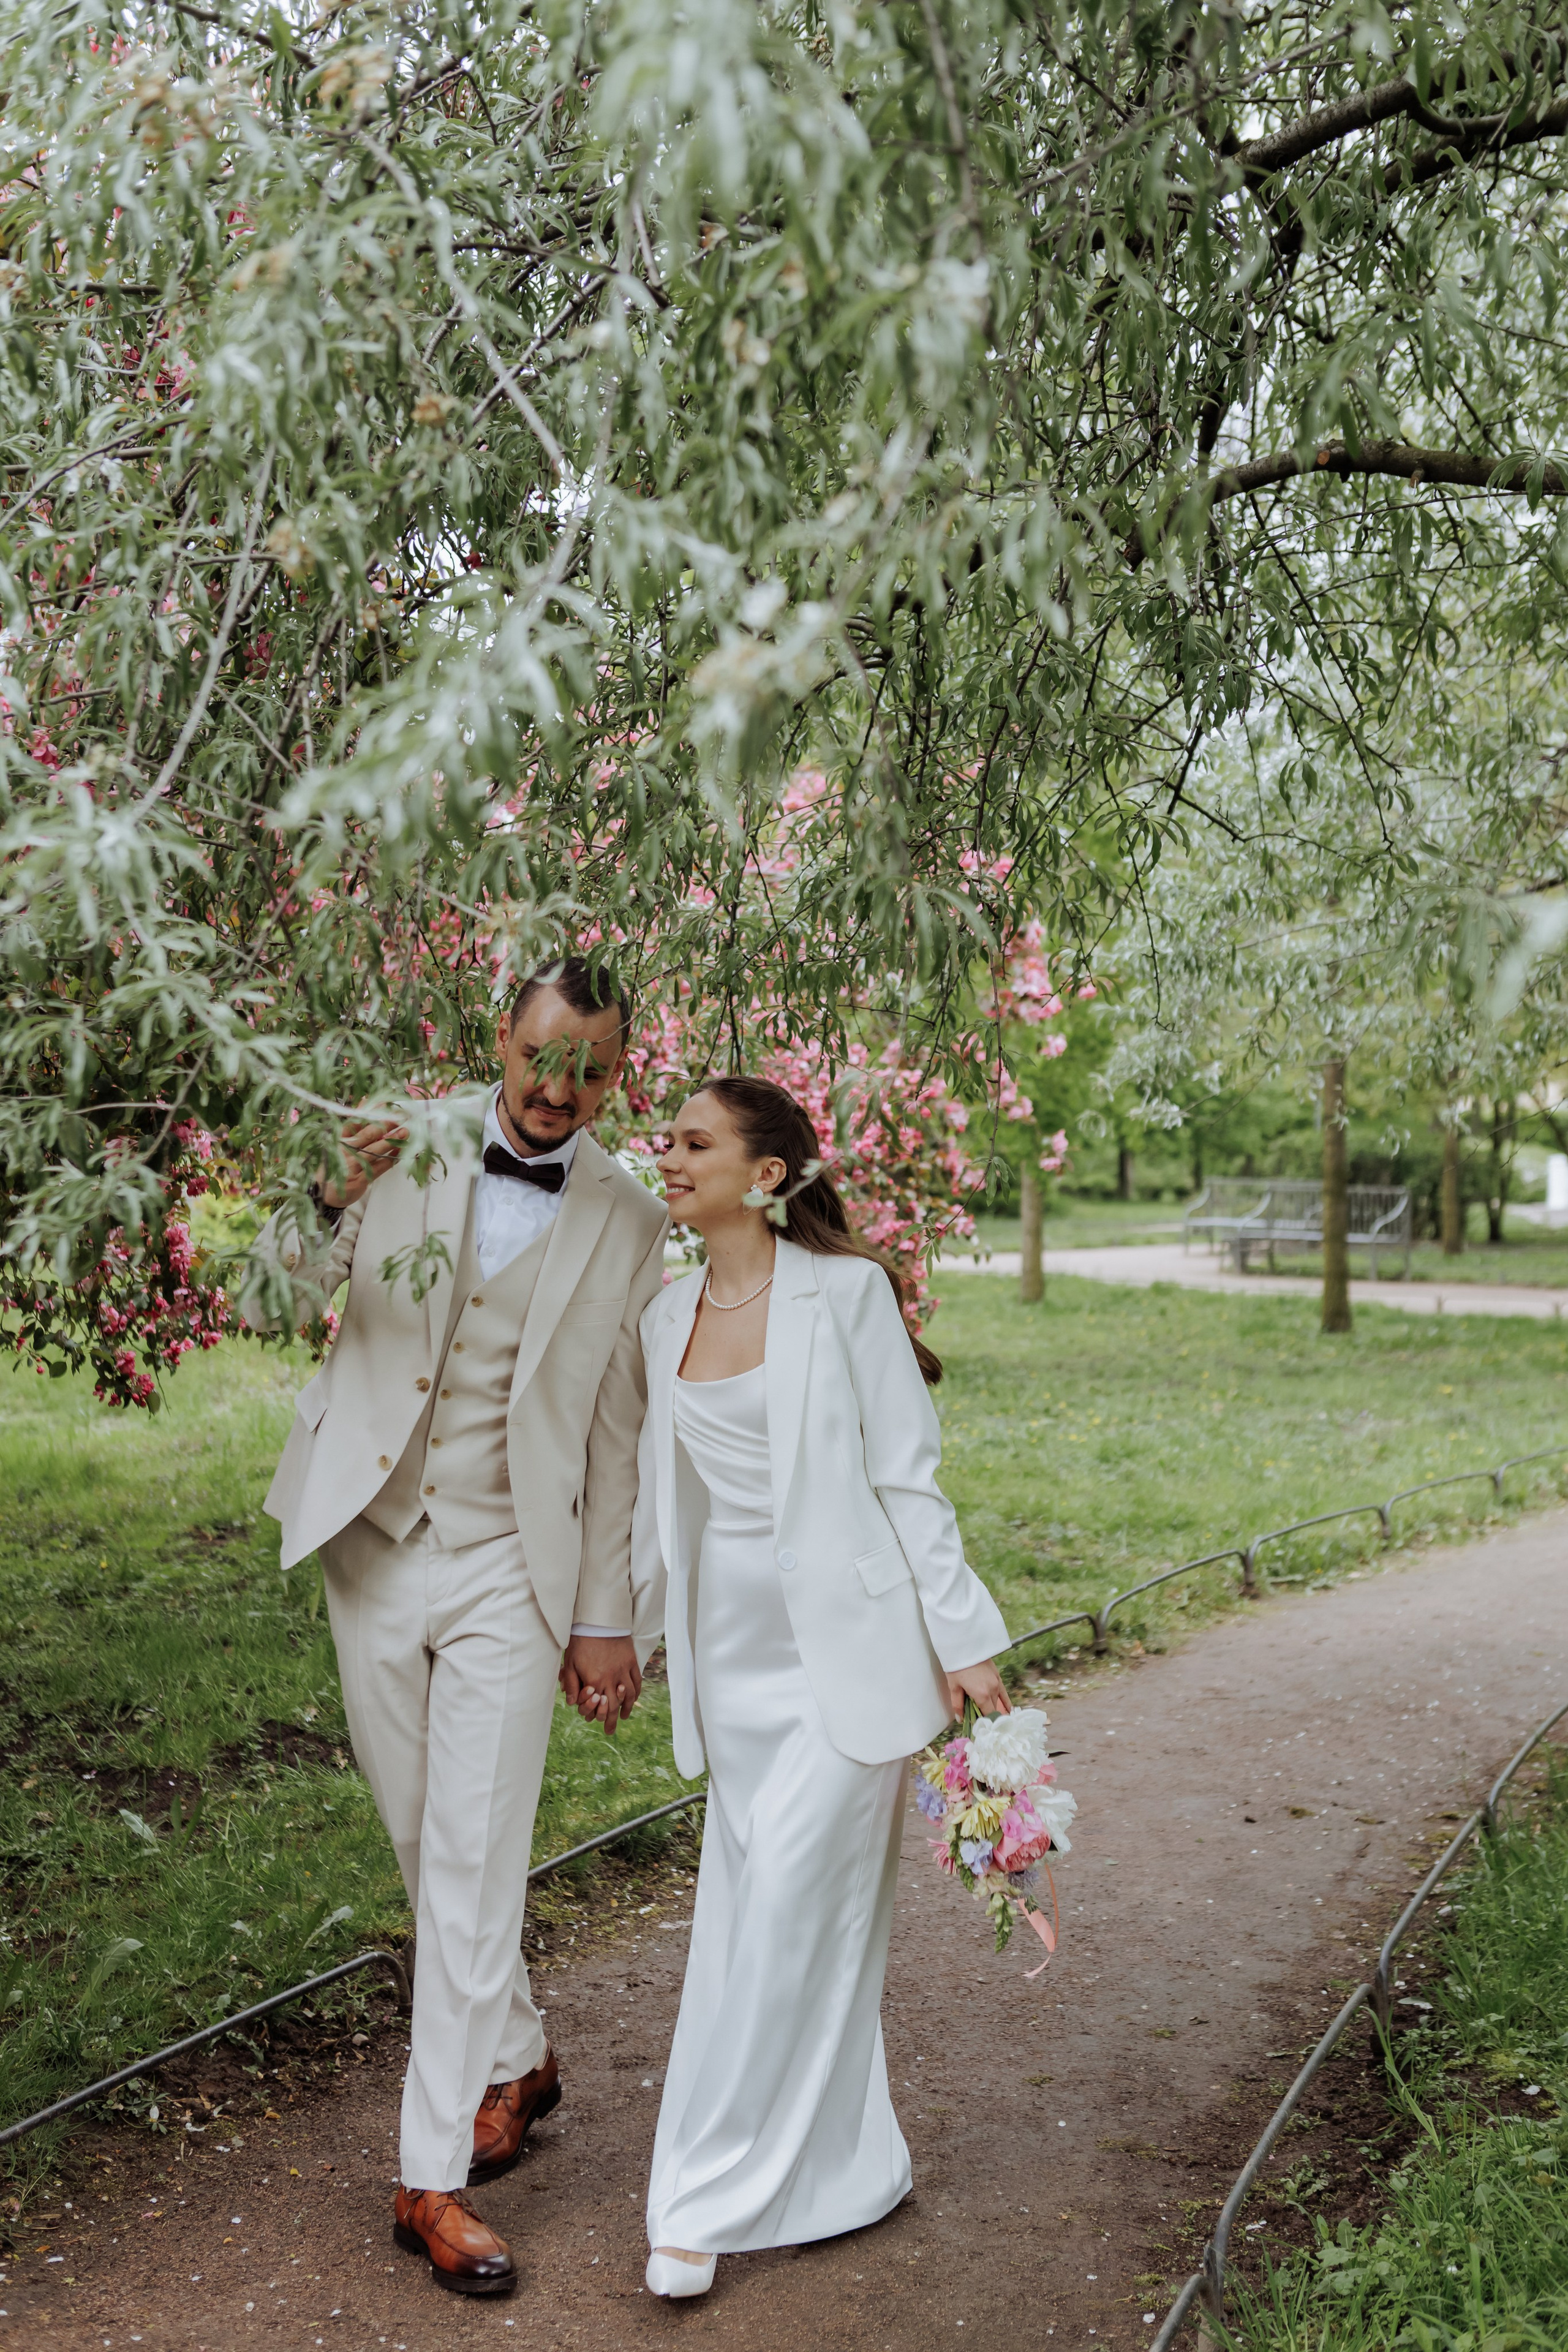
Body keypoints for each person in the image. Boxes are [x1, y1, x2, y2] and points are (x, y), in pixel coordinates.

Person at [241, 959, 667, 2297]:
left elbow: (615, 1437)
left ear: (620, 1072)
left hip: (506, 1561)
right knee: (429, 1839)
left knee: (475, 1860)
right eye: (544, 1057)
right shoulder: (395, 1137)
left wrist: (606, 1615)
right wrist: (319, 1201)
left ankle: (427, 2182)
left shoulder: (629, 1217)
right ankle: (518, 2058)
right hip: (368, 1540)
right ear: (503, 1037)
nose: (560, 1091)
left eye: (591, 1068)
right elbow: (267, 1298)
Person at [618, 1073, 1011, 2299]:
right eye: (667, 1141)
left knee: (793, 1912)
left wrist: (965, 1641)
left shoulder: (846, 1295)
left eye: (695, 1144)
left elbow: (906, 1479)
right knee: (752, 1924)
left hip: (848, 1655)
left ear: (767, 1173)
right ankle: (848, 2167)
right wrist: (617, 1637)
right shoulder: (661, 1310)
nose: (668, 1158)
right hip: (728, 1666)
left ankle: (701, 2197)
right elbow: (655, 1505)